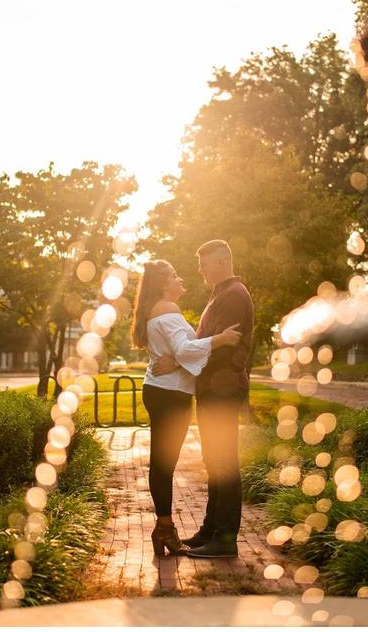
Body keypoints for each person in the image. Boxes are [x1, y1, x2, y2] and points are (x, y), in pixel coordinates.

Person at [130, 259, 242, 556]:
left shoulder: (155, 310)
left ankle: (164, 527)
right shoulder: (168, 309)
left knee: (161, 462)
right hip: (170, 395)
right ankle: (164, 529)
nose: (182, 280)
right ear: (162, 284)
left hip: (160, 390)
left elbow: (176, 354)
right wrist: (221, 339)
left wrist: (178, 359)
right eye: (175, 275)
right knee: (164, 464)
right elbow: (183, 350)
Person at [153, 239, 254, 558]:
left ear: (222, 262)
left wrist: (176, 362)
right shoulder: (220, 296)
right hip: (212, 389)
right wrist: (180, 359)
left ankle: (225, 540)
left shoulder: (235, 296)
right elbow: (202, 343)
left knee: (224, 462)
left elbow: (220, 345)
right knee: (214, 461)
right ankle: (211, 530)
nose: (199, 270)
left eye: (205, 264)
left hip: (224, 388)